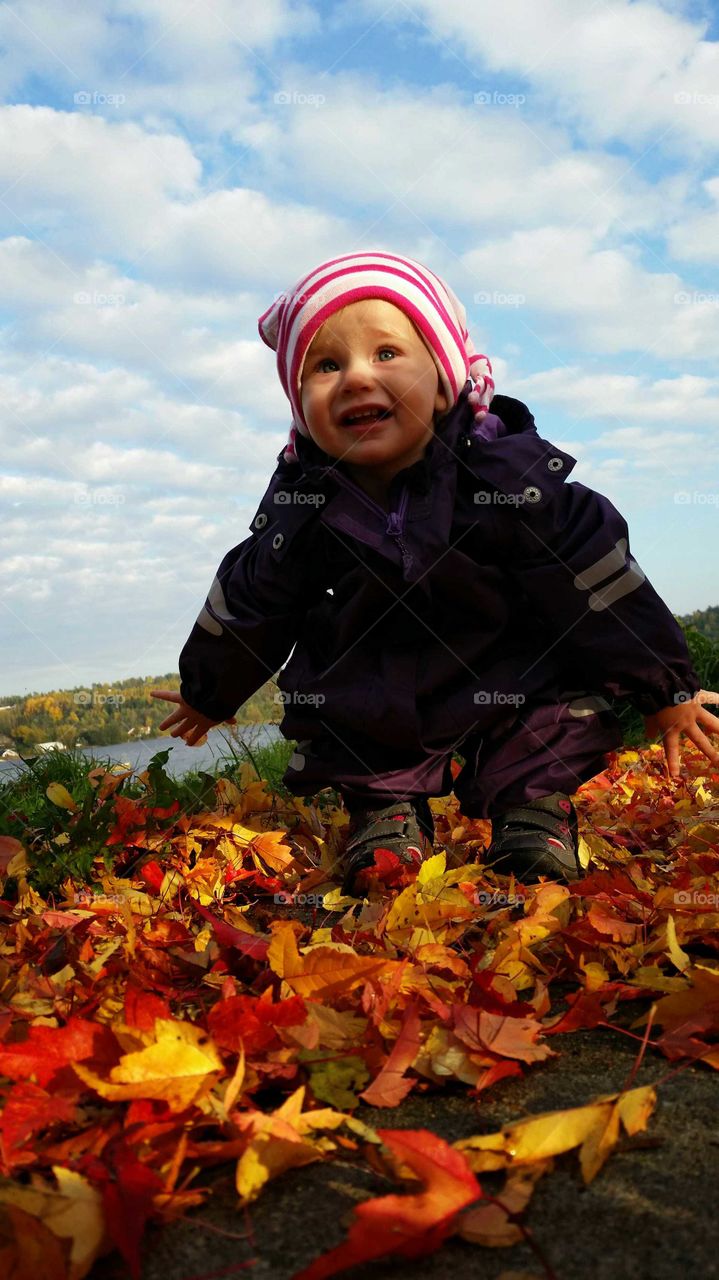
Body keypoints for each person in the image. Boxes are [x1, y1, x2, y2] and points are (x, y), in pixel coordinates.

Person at [151, 250, 719, 896]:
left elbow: (598, 578)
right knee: (355, 722)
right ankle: (384, 813)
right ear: (298, 405)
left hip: (510, 669)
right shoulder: (304, 506)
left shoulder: (510, 483)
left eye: (386, 354)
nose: (357, 378)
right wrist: (209, 690)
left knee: (547, 719)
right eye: (326, 365)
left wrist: (664, 686)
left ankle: (533, 813)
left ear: (446, 376)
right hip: (380, 679)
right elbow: (252, 601)